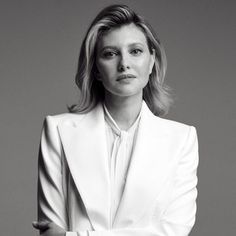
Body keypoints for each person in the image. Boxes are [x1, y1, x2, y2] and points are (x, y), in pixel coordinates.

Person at [32, 4, 199, 236]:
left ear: (152, 61)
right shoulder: (58, 130)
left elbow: (174, 230)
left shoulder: (181, 139)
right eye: (110, 53)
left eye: (136, 51)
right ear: (96, 69)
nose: (124, 64)